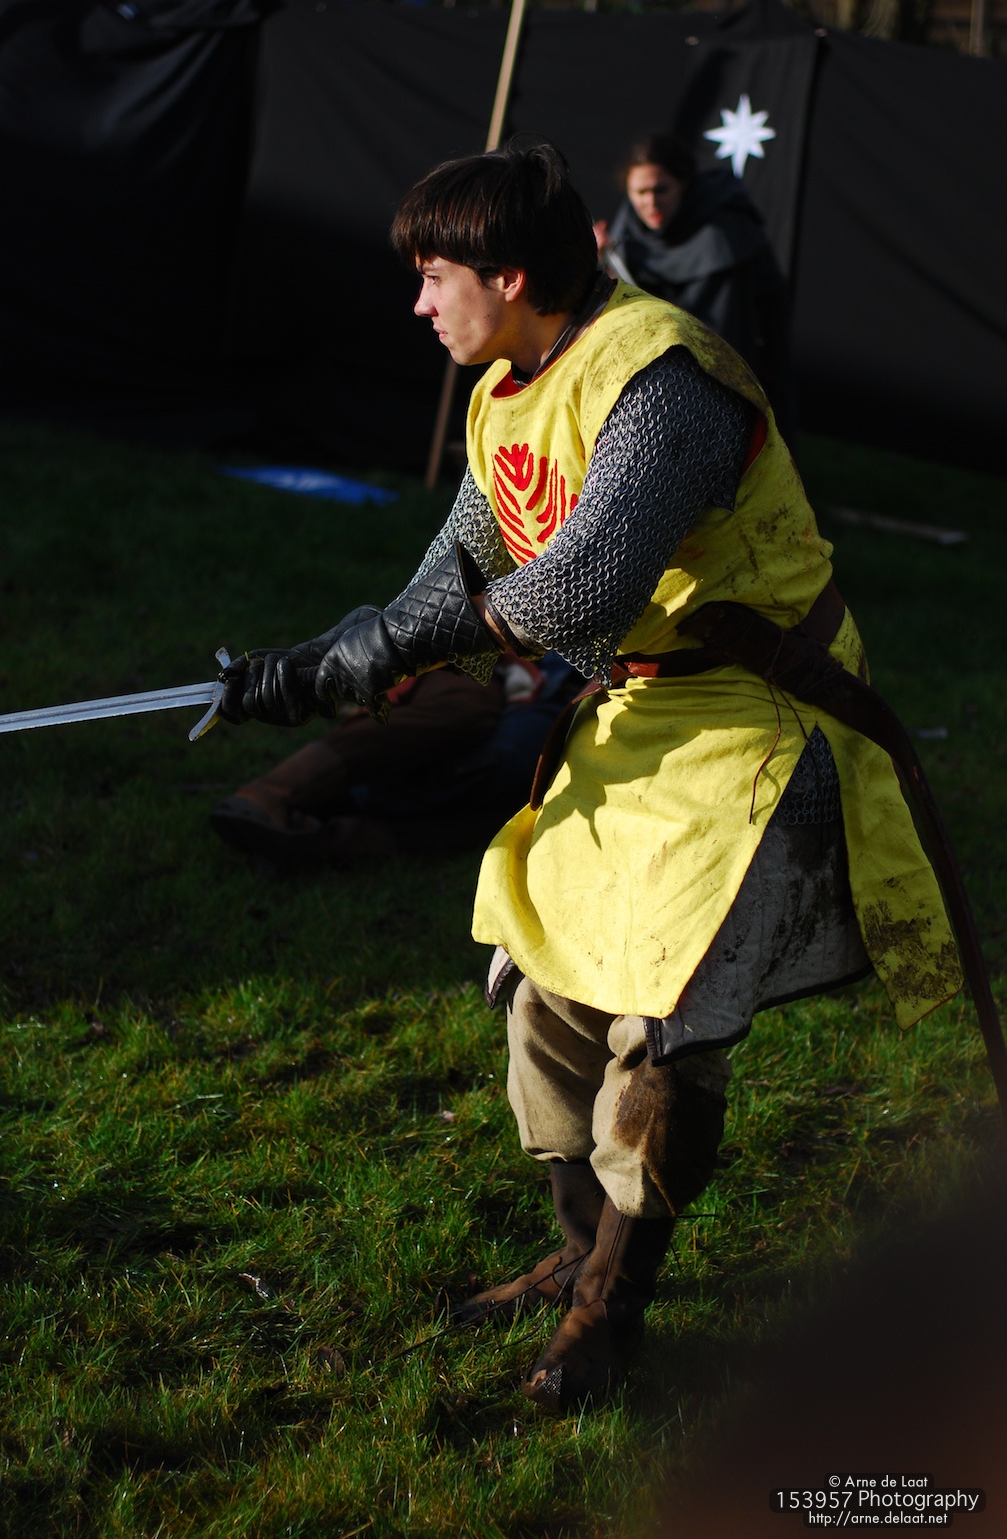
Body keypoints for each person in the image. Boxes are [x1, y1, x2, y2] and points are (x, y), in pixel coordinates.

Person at [218, 140, 961, 1414]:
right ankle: (576, 1252)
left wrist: (386, 649)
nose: (418, 304)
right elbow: (460, 573)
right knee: (546, 993)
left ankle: (610, 1310)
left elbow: (574, 591)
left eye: (435, 277)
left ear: (508, 277)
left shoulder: (662, 376)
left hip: (751, 720)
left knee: (662, 1037)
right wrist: (326, 662)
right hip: (635, 711)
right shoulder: (506, 385)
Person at [210, 654, 580, 868]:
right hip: (486, 661)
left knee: (515, 801)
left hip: (563, 705)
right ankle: (269, 795)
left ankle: (314, 840)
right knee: (460, 712)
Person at [595, 132, 794, 436]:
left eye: (661, 189)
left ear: (683, 183)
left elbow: (718, 338)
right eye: (640, 192)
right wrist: (601, 266)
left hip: (723, 389)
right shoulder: (627, 231)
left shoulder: (723, 236)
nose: (651, 202)